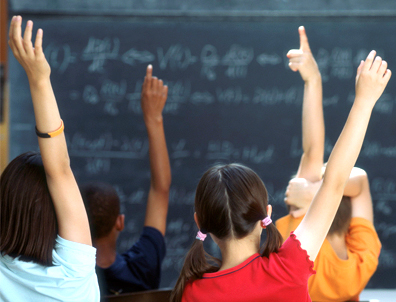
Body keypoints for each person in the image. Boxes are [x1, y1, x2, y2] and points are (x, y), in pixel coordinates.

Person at [170, 31, 391, 302]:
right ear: (266, 214)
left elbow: (325, 172)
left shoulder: (192, 292)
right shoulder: (288, 267)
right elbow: (334, 183)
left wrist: (315, 82)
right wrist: (364, 101)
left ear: (200, 222)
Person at [276, 26, 381, 301]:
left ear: (305, 212)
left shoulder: (297, 249)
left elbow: (312, 151)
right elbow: (357, 182)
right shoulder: (361, 262)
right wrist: (317, 191)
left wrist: (313, 81)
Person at [0, 16, 99, 301]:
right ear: (56, 210)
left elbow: (59, 174)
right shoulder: (73, 272)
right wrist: (39, 80)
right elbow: (60, 172)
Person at [80, 65, 171, 296]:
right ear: (119, 222)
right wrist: (154, 118)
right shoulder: (142, 267)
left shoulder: (68, 278)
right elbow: (160, 189)